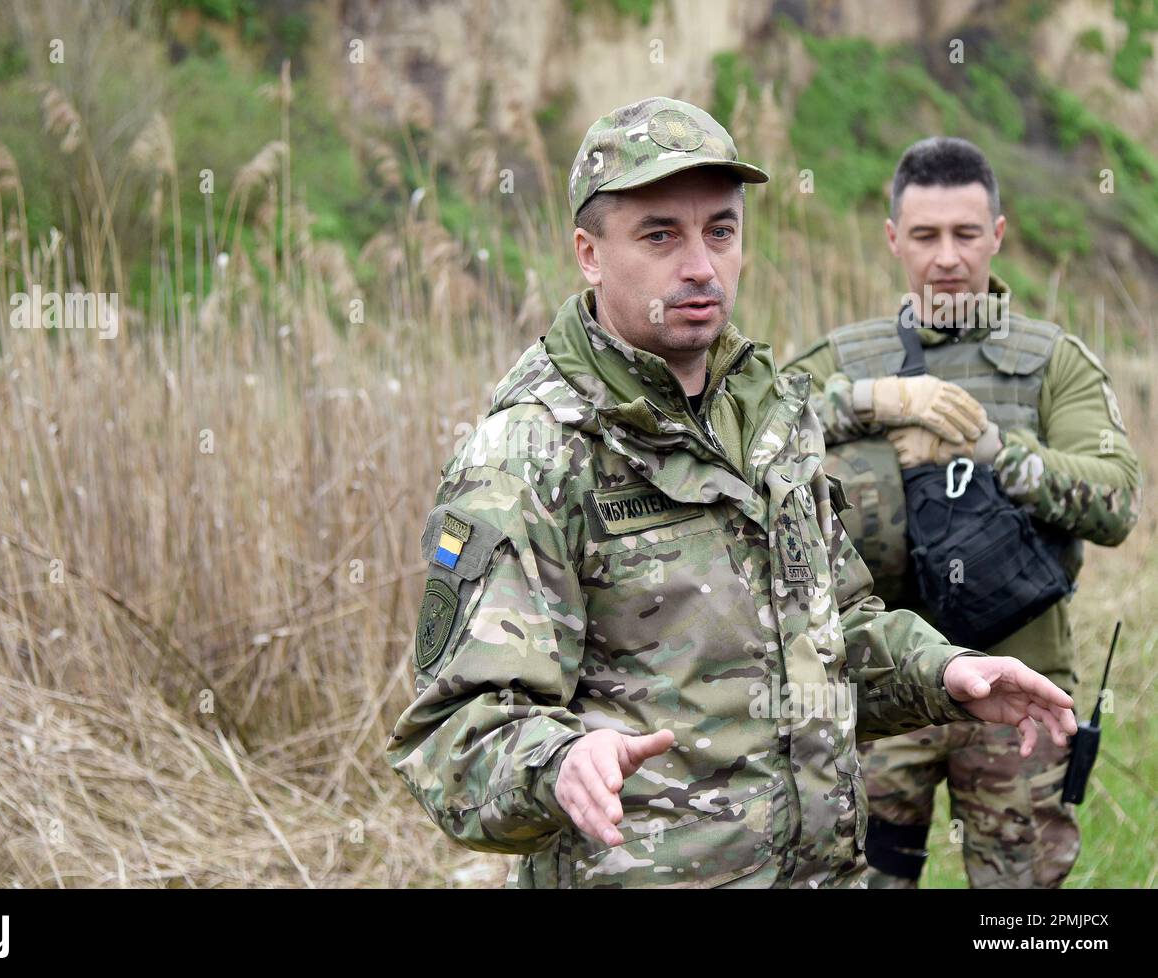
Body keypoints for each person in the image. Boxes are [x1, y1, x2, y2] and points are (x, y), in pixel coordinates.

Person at [387, 100, 1077, 889]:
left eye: (720, 230)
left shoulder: (771, 416)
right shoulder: (529, 455)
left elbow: (833, 631)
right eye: (660, 235)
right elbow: (452, 733)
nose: (700, 266)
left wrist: (944, 672)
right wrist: (560, 761)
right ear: (588, 253)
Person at [783, 137, 1141, 888]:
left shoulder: (1053, 361)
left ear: (998, 236)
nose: (946, 257)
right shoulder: (847, 356)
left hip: (1022, 687)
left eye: (966, 234)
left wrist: (994, 449)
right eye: (924, 236)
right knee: (863, 875)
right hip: (883, 683)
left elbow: (1115, 501)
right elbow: (756, 440)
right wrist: (867, 401)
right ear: (892, 240)